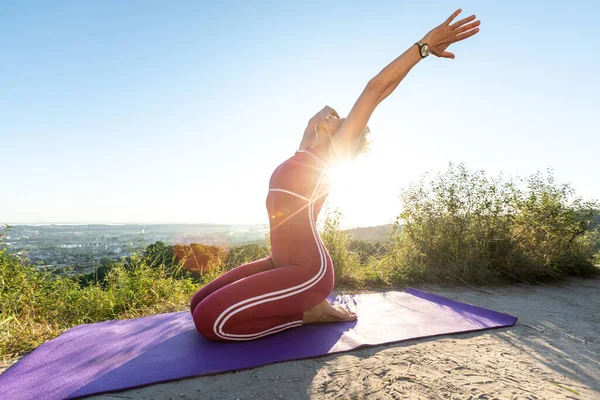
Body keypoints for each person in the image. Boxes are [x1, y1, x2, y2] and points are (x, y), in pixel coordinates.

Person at [190, 9, 480, 341]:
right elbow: (313, 122)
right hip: (279, 263)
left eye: (340, 118)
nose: (333, 112)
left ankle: (307, 313)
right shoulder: (303, 150)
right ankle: (297, 306)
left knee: (211, 322)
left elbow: (375, 89)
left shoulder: (330, 156)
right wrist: (318, 122)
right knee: (197, 303)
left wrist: (424, 46)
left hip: (307, 272)